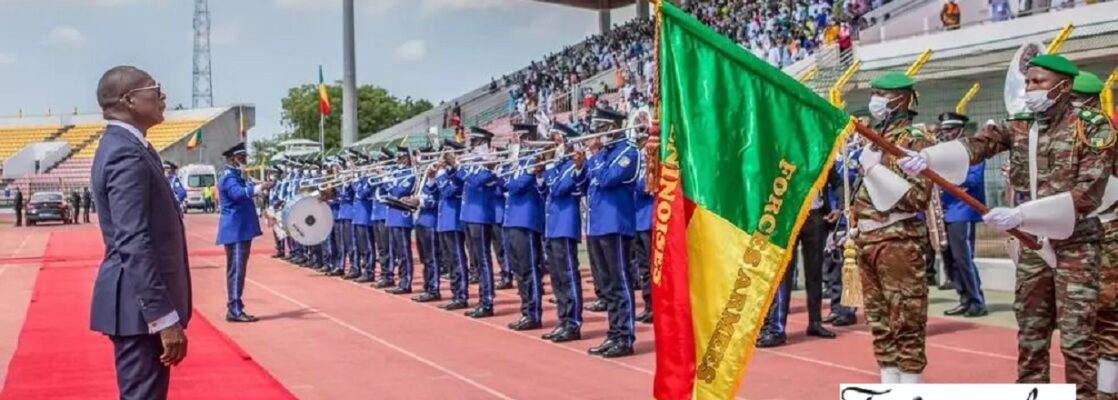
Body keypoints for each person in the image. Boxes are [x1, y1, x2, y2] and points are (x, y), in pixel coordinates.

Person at [899, 55, 1114, 400]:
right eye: (1028, 82)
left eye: (1038, 82)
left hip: (1076, 246)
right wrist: (929, 159)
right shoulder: (1022, 124)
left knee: (1077, 340)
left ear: (1064, 85)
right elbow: (980, 143)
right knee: (1031, 335)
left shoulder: (1092, 126)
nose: (1029, 89)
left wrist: (1022, 214)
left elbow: (1087, 194)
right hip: (1033, 245)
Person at [88, 65, 190, 400]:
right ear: (130, 100)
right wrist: (162, 317)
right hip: (139, 308)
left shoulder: (132, 146)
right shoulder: (124, 152)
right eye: (155, 88)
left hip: (137, 305)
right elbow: (132, 240)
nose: (163, 96)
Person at [852, 72, 934, 384]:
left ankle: (910, 387)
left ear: (899, 98)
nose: (874, 100)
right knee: (880, 323)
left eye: (879, 94)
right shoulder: (874, 137)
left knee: (907, 322)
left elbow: (918, 196)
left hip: (898, 241)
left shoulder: (916, 140)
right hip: (869, 240)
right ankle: (889, 384)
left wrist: (874, 169)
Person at [1072, 71, 1118, 400]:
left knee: (1106, 316)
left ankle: (1106, 390)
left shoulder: (1099, 132)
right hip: (1082, 232)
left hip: (1106, 231)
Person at [584, 107, 639, 358]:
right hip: (597, 225)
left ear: (611, 127)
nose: (596, 133)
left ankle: (624, 336)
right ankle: (613, 333)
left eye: (600, 127)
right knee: (607, 285)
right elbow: (583, 181)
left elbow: (607, 179)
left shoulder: (628, 151)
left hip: (615, 225)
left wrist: (594, 155)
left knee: (620, 282)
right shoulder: (604, 154)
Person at [935, 112, 988, 318]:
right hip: (946, 210)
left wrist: (944, 174)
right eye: (943, 131)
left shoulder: (971, 150)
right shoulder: (942, 151)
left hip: (962, 210)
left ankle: (976, 300)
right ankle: (963, 298)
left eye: (949, 130)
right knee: (949, 259)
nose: (945, 134)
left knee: (963, 258)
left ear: (960, 130)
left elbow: (972, 179)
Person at [540, 122, 587, 343]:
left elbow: (557, 188)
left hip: (565, 226)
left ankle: (573, 323)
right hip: (552, 226)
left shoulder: (570, 165)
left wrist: (549, 166)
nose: (554, 143)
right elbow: (544, 188)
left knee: (568, 276)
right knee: (557, 278)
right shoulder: (558, 165)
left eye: (558, 139)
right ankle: (563, 319)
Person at [216, 142, 272, 323]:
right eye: (242, 158)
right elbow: (238, 194)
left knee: (238, 269)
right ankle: (234, 308)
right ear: (233, 159)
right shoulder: (229, 177)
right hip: (236, 229)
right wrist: (260, 188)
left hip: (239, 228)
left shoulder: (234, 175)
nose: (244, 161)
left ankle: (235, 305)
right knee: (237, 269)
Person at [500, 125, 546, 331]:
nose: (514, 140)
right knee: (519, 270)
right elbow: (502, 181)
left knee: (529, 270)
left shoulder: (535, 158)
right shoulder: (515, 161)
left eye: (518, 136)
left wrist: (508, 180)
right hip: (511, 219)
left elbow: (517, 185)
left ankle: (533, 313)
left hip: (526, 220)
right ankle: (526, 310)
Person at [457, 127, 500, 318]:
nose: (472, 146)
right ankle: (481, 299)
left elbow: (476, 182)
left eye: (475, 143)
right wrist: (452, 169)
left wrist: (458, 168)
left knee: (483, 260)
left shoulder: (490, 165)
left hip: (481, 216)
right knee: (475, 259)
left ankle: (487, 300)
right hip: (468, 215)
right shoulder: (473, 164)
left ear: (483, 143)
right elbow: (458, 180)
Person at [384, 145, 417, 295]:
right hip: (392, 216)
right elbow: (388, 190)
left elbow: (398, 191)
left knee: (404, 252)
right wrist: (390, 182)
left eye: (400, 157)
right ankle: (401, 279)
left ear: (406, 158)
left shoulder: (410, 173)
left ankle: (406, 282)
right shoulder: (396, 173)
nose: (398, 160)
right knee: (397, 252)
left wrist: (389, 182)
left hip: (402, 216)